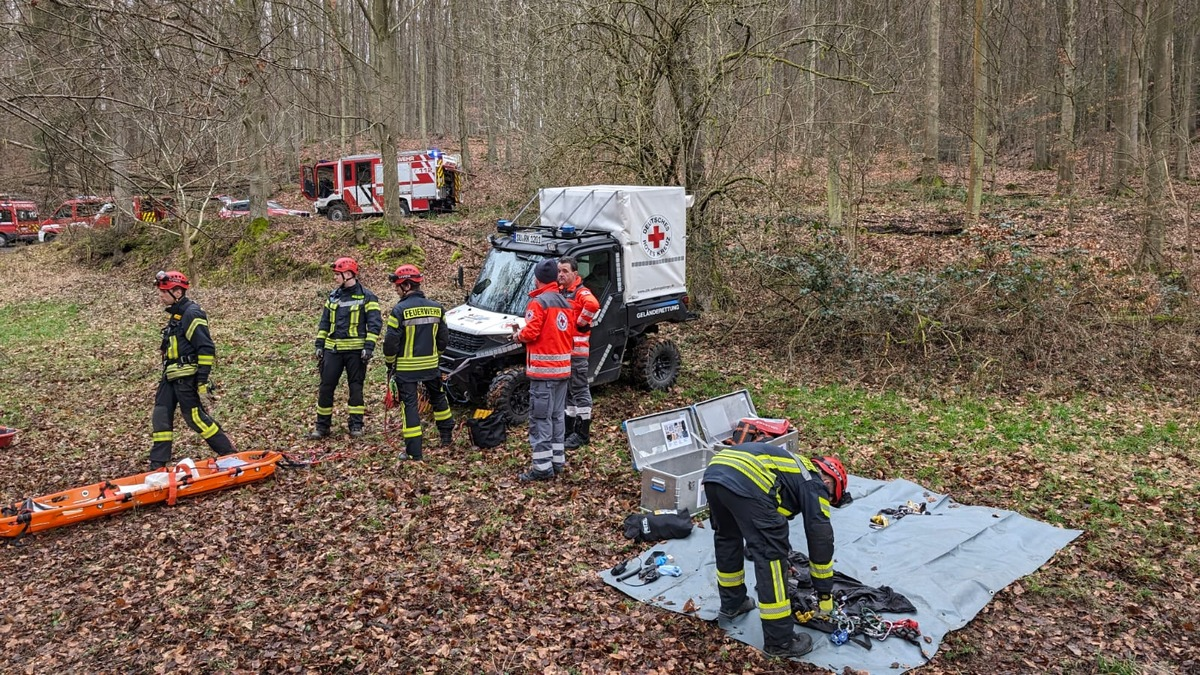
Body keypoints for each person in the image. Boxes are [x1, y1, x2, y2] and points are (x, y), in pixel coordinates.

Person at [702, 444, 851, 659]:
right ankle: (780, 640)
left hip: (716, 471)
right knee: (771, 558)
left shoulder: (792, 468)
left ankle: (733, 603)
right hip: (746, 478)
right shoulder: (814, 483)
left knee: (727, 538)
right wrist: (824, 590)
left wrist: (785, 550)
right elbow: (820, 536)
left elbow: (770, 511)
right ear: (828, 482)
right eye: (829, 499)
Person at [148, 270, 236, 469]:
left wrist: (202, 379)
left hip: (186, 377)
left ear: (177, 292)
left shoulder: (192, 313)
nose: (160, 295)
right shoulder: (177, 314)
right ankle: (157, 464)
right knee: (160, 417)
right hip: (170, 376)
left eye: (164, 291)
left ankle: (228, 453)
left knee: (195, 418)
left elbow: (206, 347)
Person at [381, 264, 454, 460]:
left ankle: (414, 452)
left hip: (406, 369)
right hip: (431, 366)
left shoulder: (399, 310)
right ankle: (447, 436)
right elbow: (443, 340)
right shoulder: (437, 308)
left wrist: (390, 363)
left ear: (406, 285)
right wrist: (435, 356)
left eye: (397, 286)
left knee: (410, 406)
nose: (396, 290)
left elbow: (390, 343)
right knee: (438, 398)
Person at [512, 258, 574, 482]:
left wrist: (518, 335)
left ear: (537, 279)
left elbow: (532, 332)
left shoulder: (539, 303)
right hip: (563, 371)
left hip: (543, 373)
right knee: (558, 417)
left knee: (540, 419)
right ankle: (557, 462)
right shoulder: (565, 302)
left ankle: (541, 468)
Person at [309, 257, 382, 439]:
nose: (335, 278)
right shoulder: (333, 296)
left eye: (337, 274)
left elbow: (374, 324)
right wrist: (319, 345)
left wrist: (369, 347)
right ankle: (322, 426)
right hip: (332, 351)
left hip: (356, 353)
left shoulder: (367, 297)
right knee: (326, 388)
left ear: (348, 274)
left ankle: (356, 425)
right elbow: (324, 323)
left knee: (355, 388)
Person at [557, 256, 600, 449]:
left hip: (577, 353)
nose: (561, 275)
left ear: (575, 274)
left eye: (565, 271)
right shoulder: (562, 292)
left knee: (580, 392)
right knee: (569, 394)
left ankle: (582, 433)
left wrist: (580, 323)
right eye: (559, 271)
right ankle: (570, 430)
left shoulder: (581, 293)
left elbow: (593, 305)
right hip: (565, 352)